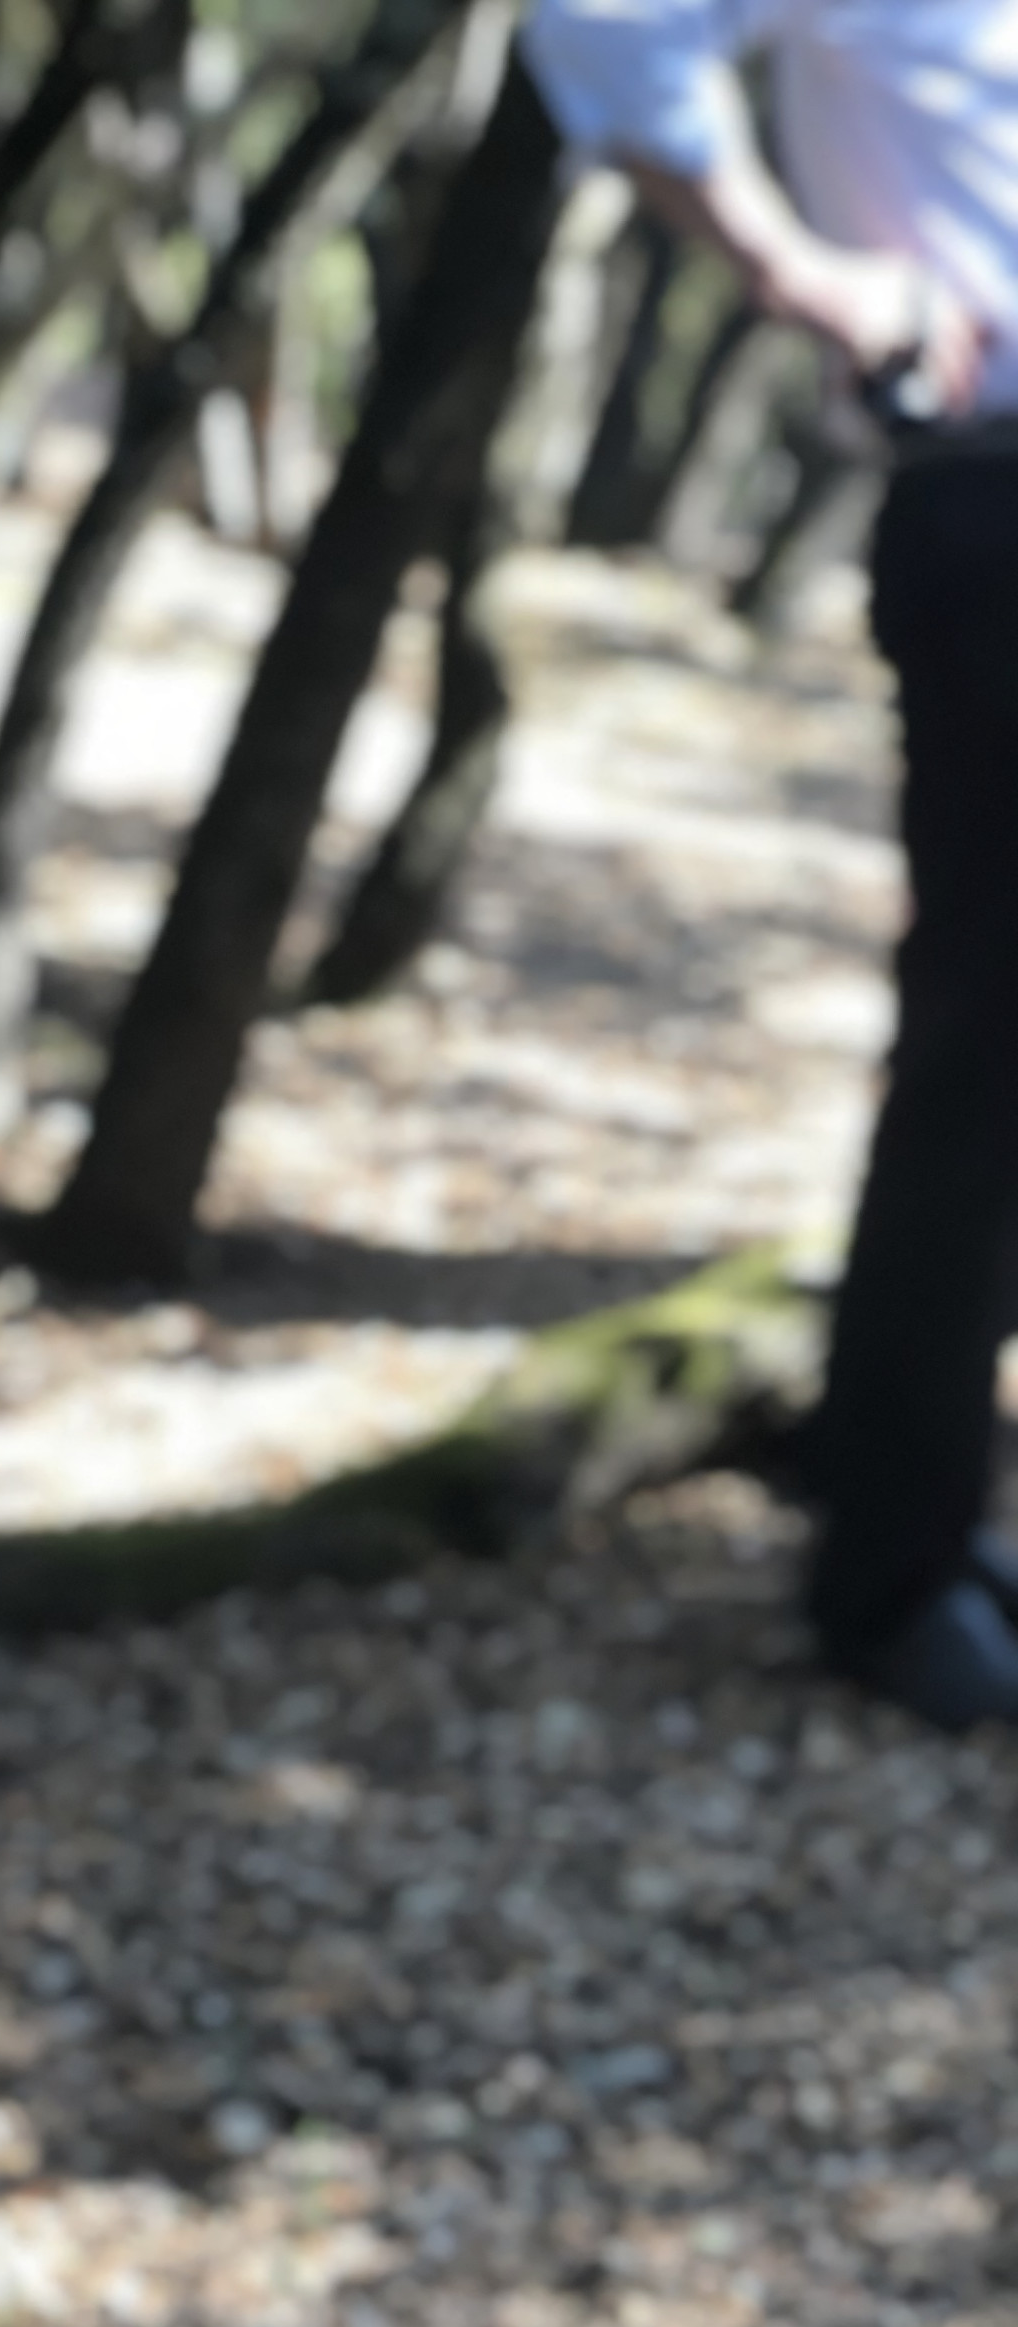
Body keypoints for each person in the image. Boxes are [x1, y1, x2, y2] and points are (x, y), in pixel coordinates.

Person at [524, 0, 1018, 1727]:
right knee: (987, 1061)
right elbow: (605, 21)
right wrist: (806, 275)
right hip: (999, 499)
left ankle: (936, 1519)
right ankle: (893, 1571)